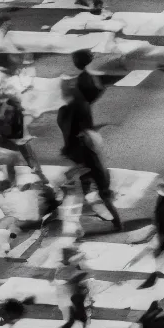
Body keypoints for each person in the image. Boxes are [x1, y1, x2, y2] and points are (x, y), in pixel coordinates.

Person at [57, 77, 123, 231]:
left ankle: (115, 222)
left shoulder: (70, 112)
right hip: (90, 163)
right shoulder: (79, 109)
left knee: (94, 191)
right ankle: (114, 220)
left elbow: (88, 159)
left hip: (88, 163)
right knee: (97, 192)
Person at [55, 243, 91, 328]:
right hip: (69, 297)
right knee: (76, 318)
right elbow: (72, 276)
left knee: (78, 317)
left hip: (75, 296)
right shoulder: (62, 268)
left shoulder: (71, 266)